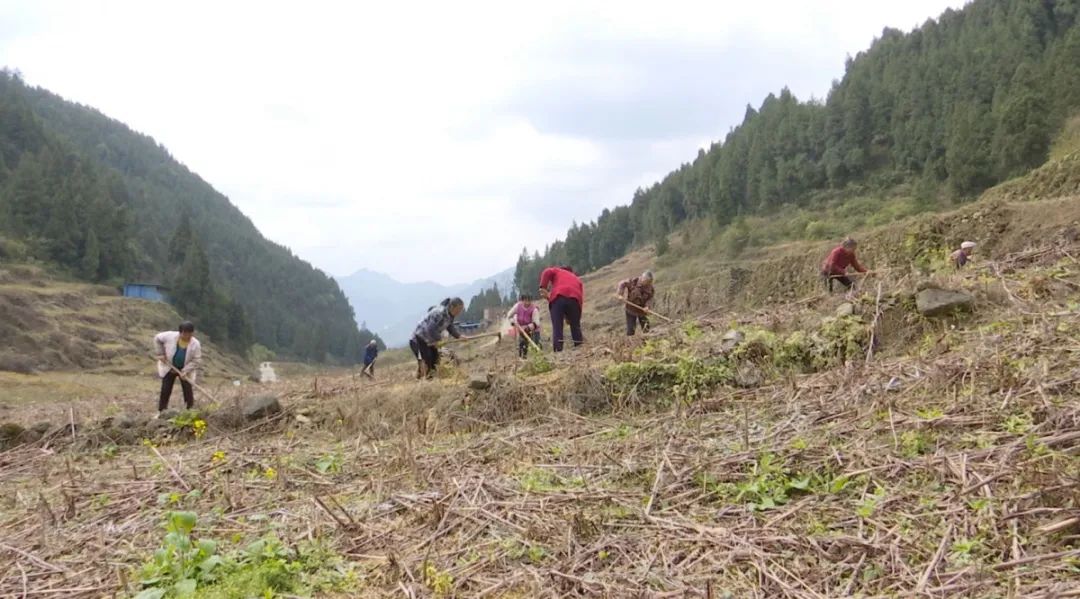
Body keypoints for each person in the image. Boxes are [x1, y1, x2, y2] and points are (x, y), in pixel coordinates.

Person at [409, 298, 473, 379]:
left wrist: (459, 336)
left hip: (430, 339)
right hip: (419, 339)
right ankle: (423, 381)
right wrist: (439, 340)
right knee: (427, 360)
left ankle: (430, 380)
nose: (459, 312)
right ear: (452, 307)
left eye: (461, 310)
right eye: (458, 309)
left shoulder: (450, 315)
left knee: (435, 359)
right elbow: (430, 328)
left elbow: (450, 326)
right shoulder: (439, 313)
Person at [154, 321, 202, 413]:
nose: (187, 336)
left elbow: (196, 360)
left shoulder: (195, 344)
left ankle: (189, 411)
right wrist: (160, 353)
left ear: (192, 333)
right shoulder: (170, 336)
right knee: (165, 389)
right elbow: (157, 338)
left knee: (188, 391)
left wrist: (185, 370)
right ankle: (162, 411)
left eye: (190, 333)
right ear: (180, 332)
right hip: (169, 366)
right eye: (185, 333)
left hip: (186, 369)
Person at [539, 265, 584, 352]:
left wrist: (542, 287)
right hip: (575, 300)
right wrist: (574, 317)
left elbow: (547, 271)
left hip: (558, 297)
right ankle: (579, 348)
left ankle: (558, 351)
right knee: (575, 326)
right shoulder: (577, 279)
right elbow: (580, 300)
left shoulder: (557, 271)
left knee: (557, 327)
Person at [617, 270, 655, 336]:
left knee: (646, 327)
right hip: (631, 309)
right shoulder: (633, 282)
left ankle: (647, 342)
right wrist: (620, 294)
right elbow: (622, 283)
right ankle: (630, 342)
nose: (646, 283)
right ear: (642, 278)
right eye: (645, 281)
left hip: (642, 310)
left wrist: (647, 306)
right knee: (631, 329)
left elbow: (650, 298)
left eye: (648, 282)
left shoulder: (650, 288)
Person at [506, 293, 542, 358]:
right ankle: (522, 358)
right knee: (522, 344)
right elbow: (509, 315)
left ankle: (537, 357)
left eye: (529, 300)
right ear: (522, 300)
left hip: (533, 330)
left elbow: (536, 323)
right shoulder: (517, 306)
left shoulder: (534, 309)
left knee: (535, 345)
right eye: (525, 300)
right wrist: (512, 322)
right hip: (521, 329)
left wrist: (527, 327)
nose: (527, 302)